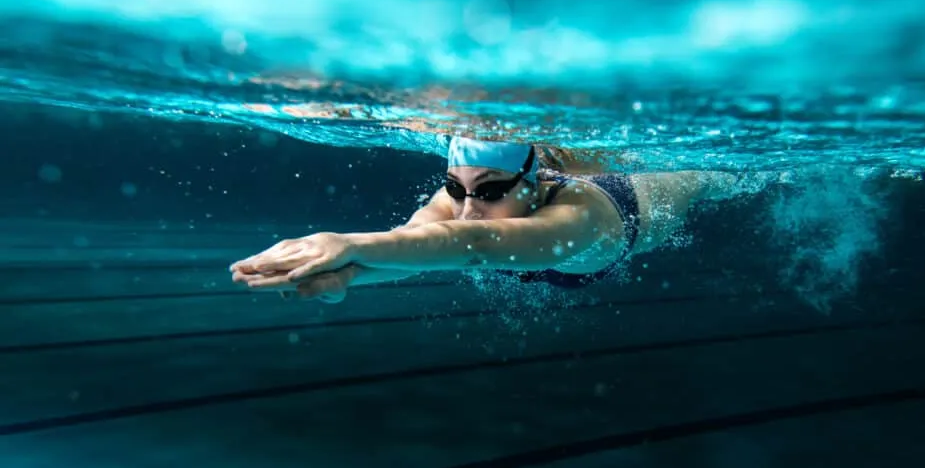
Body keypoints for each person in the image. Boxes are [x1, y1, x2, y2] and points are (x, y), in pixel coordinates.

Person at [229, 136, 732, 302]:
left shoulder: (581, 217)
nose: (468, 207)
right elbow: (412, 245)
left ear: (534, 183)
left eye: (490, 191)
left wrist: (342, 241)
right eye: (455, 188)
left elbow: (478, 243)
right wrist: (345, 275)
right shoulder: (463, 200)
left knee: (712, 176)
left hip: (649, 197)